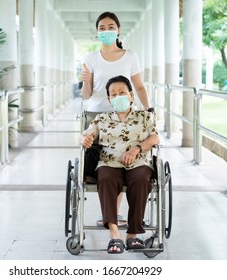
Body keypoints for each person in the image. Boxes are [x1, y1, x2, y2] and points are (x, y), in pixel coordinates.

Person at [81, 11, 151, 227]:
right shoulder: (91, 58)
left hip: (126, 115)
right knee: (108, 161)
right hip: (98, 116)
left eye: (110, 27)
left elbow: (138, 86)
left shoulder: (130, 56)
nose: (106, 31)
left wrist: (148, 109)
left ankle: (115, 214)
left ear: (118, 30)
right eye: (102, 28)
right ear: (97, 33)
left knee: (123, 157)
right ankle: (112, 215)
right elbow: (86, 94)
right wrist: (85, 80)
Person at [79, 75, 160, 254]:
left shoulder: (144, 116)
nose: (118, 96)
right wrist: (85, 139)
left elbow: (155, 138)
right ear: (109, 99)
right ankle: (114, 234)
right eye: (113, 94)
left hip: (138, 160)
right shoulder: (102, 119)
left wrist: (136, 149)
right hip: (109, 161)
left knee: (141, 179)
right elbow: (84, 135)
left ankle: (133, 234)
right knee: (106, 177)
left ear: (131, 95)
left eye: (122, 92)